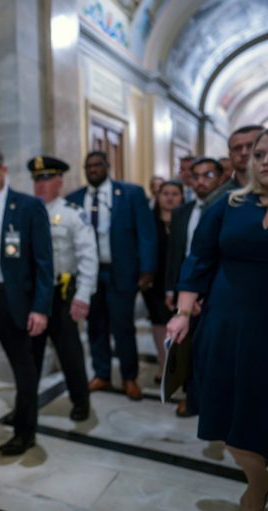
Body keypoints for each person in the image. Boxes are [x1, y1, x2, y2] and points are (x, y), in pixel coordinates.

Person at [167, 129, 268, 511]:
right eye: (259, 155)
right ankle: (257, 483)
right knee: (231, 411)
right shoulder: (229, 205)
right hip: (227, 326)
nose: (264, 161)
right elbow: (199, 260)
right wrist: (181, 313)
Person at [0, 147, 53, 455]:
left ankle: (25, 433)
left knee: (24, 372)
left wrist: (41, 308)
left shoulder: (27, 207)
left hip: (13, 302)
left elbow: (44, 263)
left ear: (3, 171)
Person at [66, 151, 156, 400]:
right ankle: (102, 374)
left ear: (108, 165)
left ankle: (130, 377)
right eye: (88, 166)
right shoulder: (74, 199)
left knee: (123, 326)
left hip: (121, 272)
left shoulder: (131, 193)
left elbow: (146, 233)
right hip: (89, 275)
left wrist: (147, 269)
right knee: (95, 326)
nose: (92, 169)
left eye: (97, 165)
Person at [29, 156, 97, 422]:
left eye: (46, 178)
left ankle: (81, 402)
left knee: (70, 354)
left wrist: (82, 295)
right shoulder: (28, 212)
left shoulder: (71, 214)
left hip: (62, 296)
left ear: (59, 181)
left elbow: (88, 256)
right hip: (34, 297)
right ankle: (27, 407)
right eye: (37, 179)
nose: (41, 184)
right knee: (29, 357)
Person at [165, 158, 224, 418]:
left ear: (221, 178)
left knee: (215, 350)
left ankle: (217, 400)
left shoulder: (229, 209)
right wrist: (172, 290)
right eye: (196, 175)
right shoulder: (181, 212)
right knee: (188, 346)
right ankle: (191, 397)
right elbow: (175, 254)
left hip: (217, 291)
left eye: (208, 175)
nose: (201, 181)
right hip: (187, 291)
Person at [139, 181, 183, 384]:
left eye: (175, 193)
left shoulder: (187, 219)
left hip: (181, 281)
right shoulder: (149, 220)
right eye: (165, 193)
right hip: (155, 281)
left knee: (181, 323)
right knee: (158, 322)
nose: (170, 197)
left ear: (182, 197)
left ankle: (181, 366)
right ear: (158, 196)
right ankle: (163, 364)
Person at [206, 125, 263, 206]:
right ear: (230, 155)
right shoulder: (217, 199)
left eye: (251, 146)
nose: (244, 152)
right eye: (237, 148)